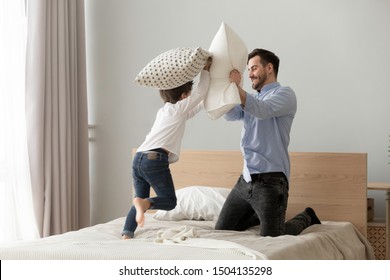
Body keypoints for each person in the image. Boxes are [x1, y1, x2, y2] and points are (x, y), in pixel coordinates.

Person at [215, 49, 320, 236]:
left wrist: (236, 87)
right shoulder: (252, 98)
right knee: (223, 229)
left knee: (275, 236)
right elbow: (230, 115)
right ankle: (258, 215)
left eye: (254, 68)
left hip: (270, 182)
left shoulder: (285, 94)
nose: (250, 74)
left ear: (269, 68)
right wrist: (227, 85)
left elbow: (263, 110)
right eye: (248, 70)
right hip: (245, 181)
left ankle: (307, 217)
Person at [122, 57, 212, 239]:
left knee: (141, 198)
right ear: (184, 96)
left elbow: (196, 105)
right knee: (169, 201)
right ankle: (144, 205)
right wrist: (206, 71)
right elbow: (201, 93)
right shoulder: (178, 110)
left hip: (139, 158)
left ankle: (127, 233)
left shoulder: (166, 112)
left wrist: (209, 97)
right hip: (154, 160)